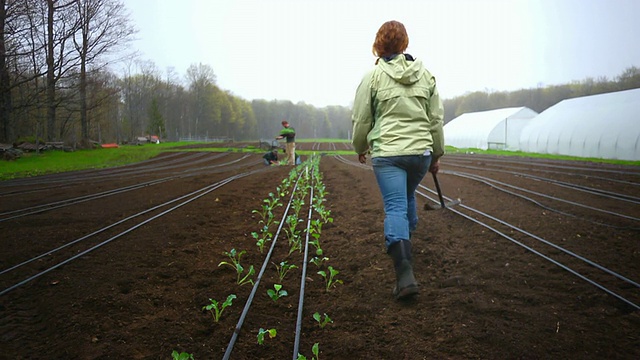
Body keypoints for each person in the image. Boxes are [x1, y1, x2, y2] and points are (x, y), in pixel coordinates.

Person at [351, 20, 445, 301]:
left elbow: (362, 118)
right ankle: (406, 242)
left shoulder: (373, 76)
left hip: (389, 154)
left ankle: (404, 275)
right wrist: (436, 154)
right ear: (404, 44)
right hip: (419, 153)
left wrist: (360, 146)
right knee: (406, 196)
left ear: (378, 45)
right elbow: (436, 119)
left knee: (394, 207)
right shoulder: (425, 74)